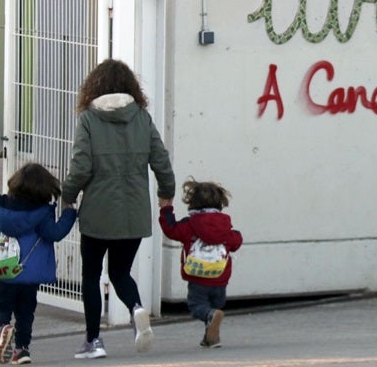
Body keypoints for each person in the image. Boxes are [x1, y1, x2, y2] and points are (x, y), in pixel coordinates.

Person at [62, 59, 176, 359]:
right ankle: (137, 309)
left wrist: (68, 196)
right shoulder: (141, 117)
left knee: (91, 275)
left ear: (93, 86)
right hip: (134, 211)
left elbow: (81, 167)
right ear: (130, 86)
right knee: (120, 272)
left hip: (98, 213)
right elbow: (162, 162)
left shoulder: (88, 119)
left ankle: (94, 341)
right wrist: (166, 195)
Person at [0, 163, 78, 365]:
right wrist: (69, 214)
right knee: (25, 312)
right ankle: (22, 350)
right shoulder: (43, 213)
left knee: (0, 309)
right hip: (29, 275)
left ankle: (2, 329)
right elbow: (54, 233)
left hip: (2, 269)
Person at [159, 178, 243, 348]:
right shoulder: (225, 226)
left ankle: (211, 318)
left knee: (198, 307)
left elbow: (171, 229)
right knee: (214, 307)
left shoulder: (189, 225)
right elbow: (236, 242)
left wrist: (166, 209)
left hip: (197, 277)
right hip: (220, 278)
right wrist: (236, 235)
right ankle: (211, 338)